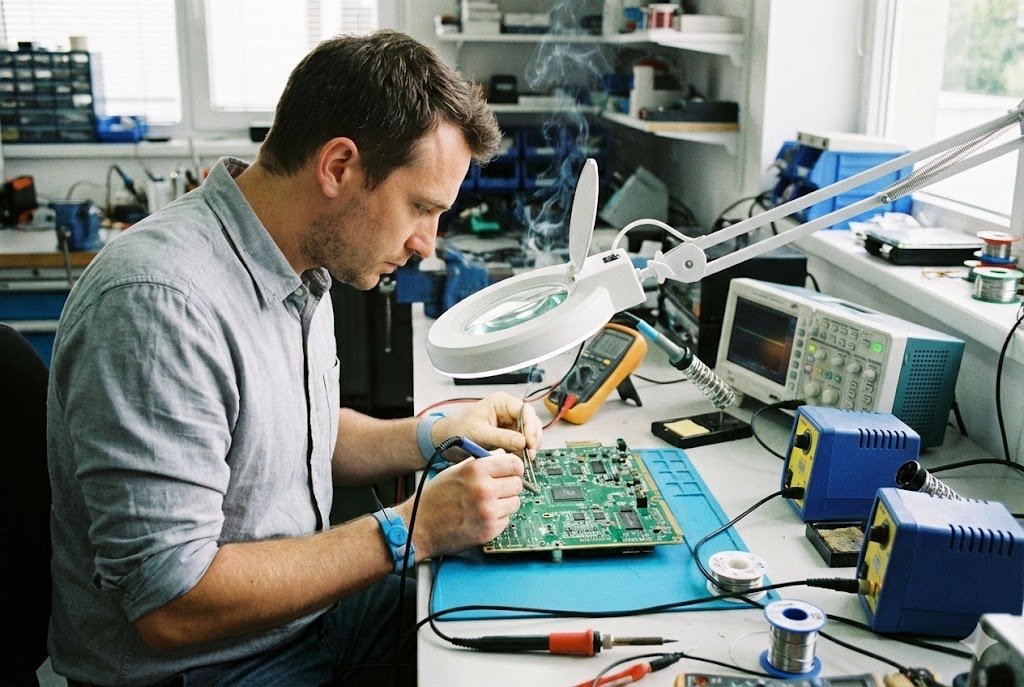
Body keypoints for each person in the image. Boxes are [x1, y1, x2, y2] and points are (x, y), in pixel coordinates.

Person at [47, 29, 541, 687]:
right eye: (421, 207)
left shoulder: (298, 262)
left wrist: (438, 435)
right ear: (338, 166)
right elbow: (170, 603)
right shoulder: (159, 303)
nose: (428, 243)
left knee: (511, 615)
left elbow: (297, 436)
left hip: (294, 625)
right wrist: (412, 529)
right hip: (203, 667)